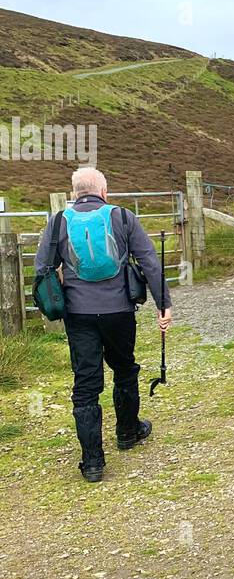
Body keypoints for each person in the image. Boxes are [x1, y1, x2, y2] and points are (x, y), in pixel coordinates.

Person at [33, 167, 173, 482]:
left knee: (86, 384)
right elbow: (149, 261)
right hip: (119, 311)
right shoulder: (123, 218)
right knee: (124, 369)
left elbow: (42, 268)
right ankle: (127, 432)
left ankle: (93, 463)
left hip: (79, 315)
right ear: (104, 191)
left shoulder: (57, 223)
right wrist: (164, 304)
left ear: (74, 193)